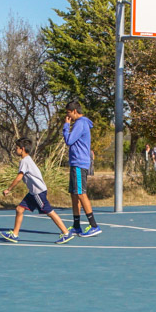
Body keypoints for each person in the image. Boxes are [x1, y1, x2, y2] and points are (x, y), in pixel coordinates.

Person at [2, 139, 76, 244]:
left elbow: (19, 177)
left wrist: (8, 189)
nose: (15, 149)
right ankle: (14, 234)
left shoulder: (25, 161)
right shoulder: (27, 160)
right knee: (19, 209)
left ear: (22, 149)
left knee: (49, 211)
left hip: (38, 192)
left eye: (17, 147)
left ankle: (66, 233)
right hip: (33, 192)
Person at [62, 101, 100, 237]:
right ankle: (77, 226)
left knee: (80, 193)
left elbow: (69, 140)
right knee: (74, 194)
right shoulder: (80, 123)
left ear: (74, 111)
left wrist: (66, 126)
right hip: (75, 162)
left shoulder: (80, 123)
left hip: (79, 163)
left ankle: (94, 225)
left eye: (68, 113)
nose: (68, 116)